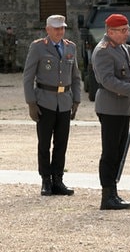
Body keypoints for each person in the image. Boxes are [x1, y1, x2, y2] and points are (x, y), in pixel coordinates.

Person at [92, 13, 130, 210]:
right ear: (110, 32)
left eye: (127, 29)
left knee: (118, 150)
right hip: (110, 107)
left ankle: (113, 193)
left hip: (121, 108)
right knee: (110, 152)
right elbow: (107, 81)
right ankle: (107, 196)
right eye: (123, 31)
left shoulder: (119, 47)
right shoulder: (103, 51)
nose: (127, 34)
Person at [23, 15, 81, 196]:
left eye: (62, 28)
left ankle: (58, 179)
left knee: (61, 143)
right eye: (56, 28)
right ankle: (45, 180)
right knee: (44, 143)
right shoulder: (38, 47)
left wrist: (76, 100)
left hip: (64, 101)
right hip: (45, 101)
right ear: (47, 29)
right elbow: (28, 77)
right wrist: (31, 103)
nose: (59, 31)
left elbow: (76, 76)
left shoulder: (70, 46)